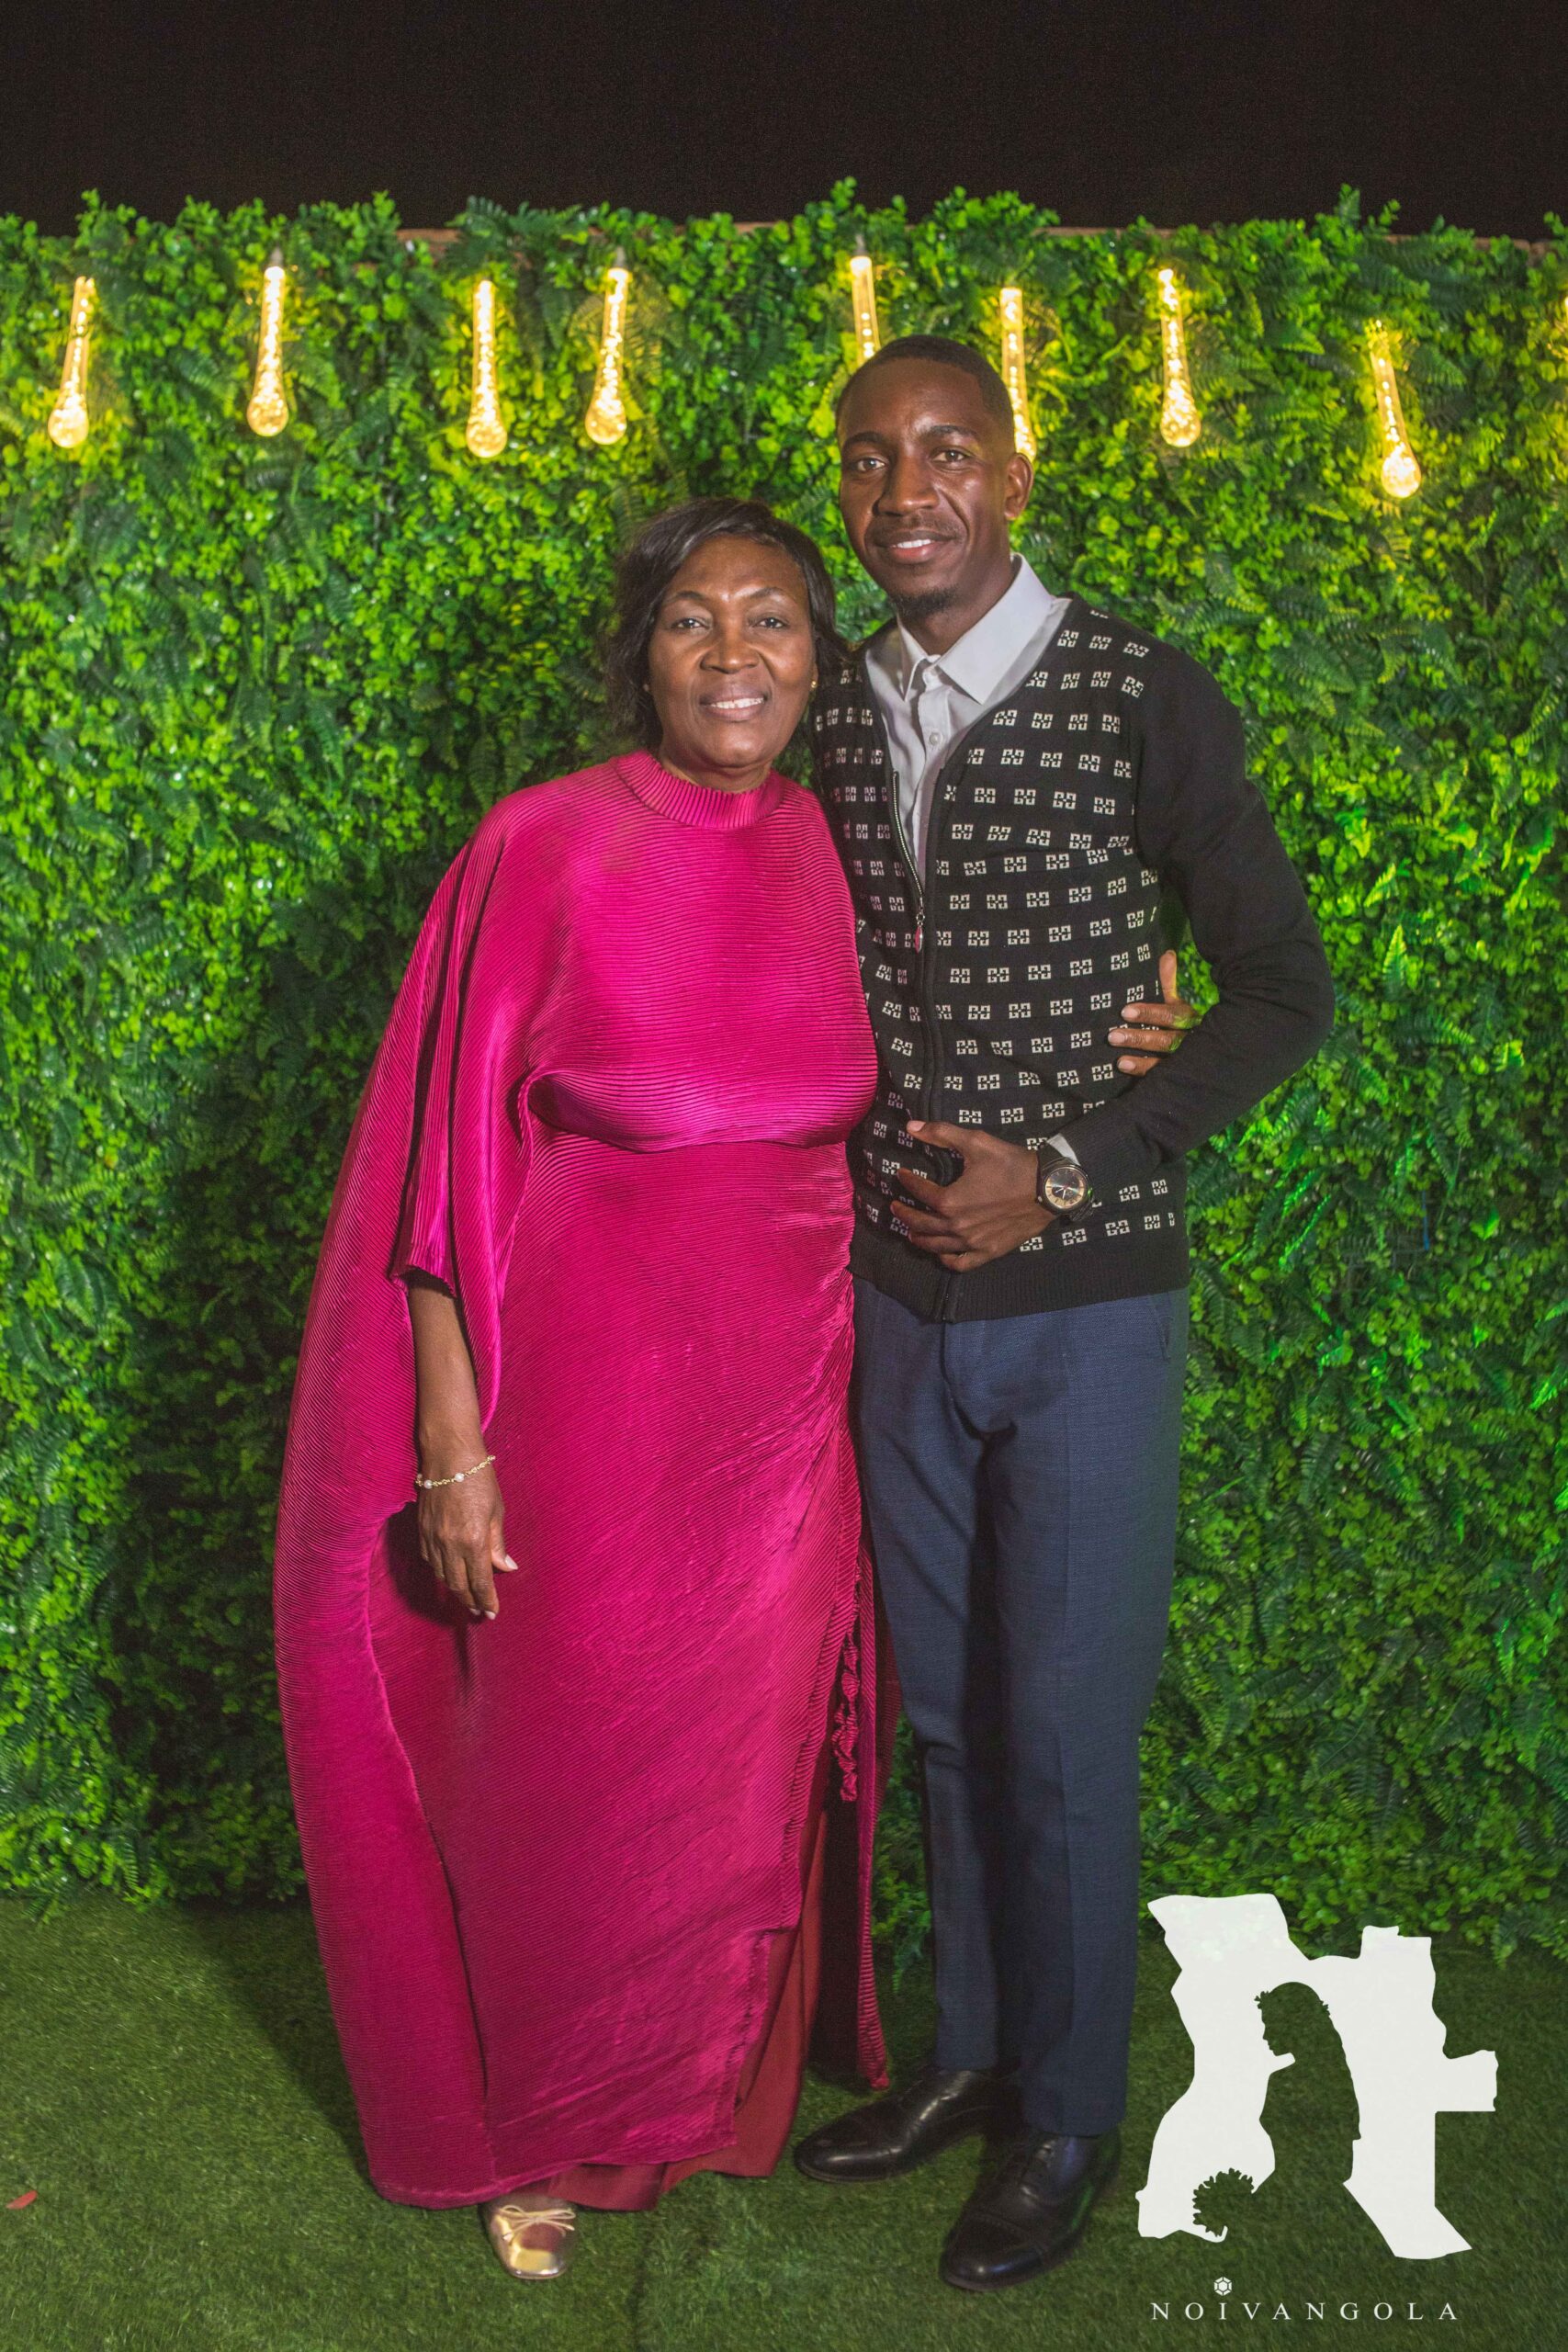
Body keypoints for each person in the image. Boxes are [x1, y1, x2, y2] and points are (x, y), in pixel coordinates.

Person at [273, 501, 900, 2284]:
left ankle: (689, 2096)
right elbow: (439, 1159)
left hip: (784, 1407)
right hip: (584, 1396)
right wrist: (450, 1446)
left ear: (817, 659)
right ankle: (534, 2123)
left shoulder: (834, 849)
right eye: (694, 619)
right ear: (643, 653)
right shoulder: (541, 843)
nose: (733, 654)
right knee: (573, 1756)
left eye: (771, 620)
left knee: (738, 1757)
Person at [793, 337, 1337, 2295]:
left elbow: (1280, 989)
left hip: (1086, 1300)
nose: (905, 490)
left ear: (1013, 477)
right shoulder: (828, 709)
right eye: (870, 461)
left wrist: (1081, 1161)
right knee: (947, 1711)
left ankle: (1068, 2116)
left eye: (945, 450)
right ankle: (968, 2055)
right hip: (895, 1296)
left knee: (1062, 1724)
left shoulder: (1135, 690)